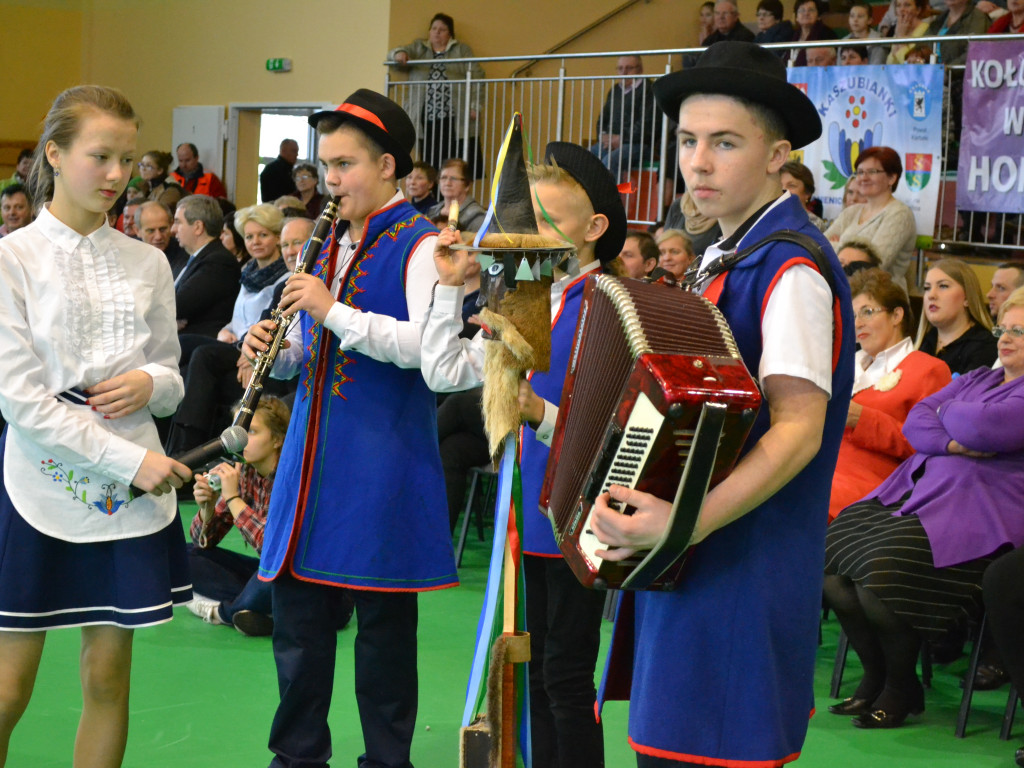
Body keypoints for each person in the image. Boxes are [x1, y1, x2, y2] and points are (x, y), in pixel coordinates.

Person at [588, 41, 854, 767]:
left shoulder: (790, 268)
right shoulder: (732, 253)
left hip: (739, 572)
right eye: (687, 141)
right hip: (696, 562)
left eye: (725, 143)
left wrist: (684, 523)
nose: (698, 162)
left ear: (778, 156)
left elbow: (798, 431)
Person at [241, 88, 455, 768]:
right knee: (298, 627)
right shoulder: (329, 241)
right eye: (326, 166)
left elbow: (426, 350)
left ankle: (388, 761)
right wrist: (272, 351)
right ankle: (297, 756)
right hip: (310, 460)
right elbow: (312, 347)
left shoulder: (424, 245)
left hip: (382, 459)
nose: (329, 181)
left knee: (384, 634)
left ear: (387, 166)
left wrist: (330, 310)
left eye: (344, 165)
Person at [0, 84, 191, 768]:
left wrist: (151, 383)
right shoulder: (11, 259)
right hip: (41, 483)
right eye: (100, 156)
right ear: (54, 154)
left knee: (108, 678)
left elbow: (171, 375)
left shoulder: (148, 261)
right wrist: (133, 463)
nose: (117, 175)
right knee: (8, 689)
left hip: (127, 500)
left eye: (127, 159)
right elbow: (21, 401)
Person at [424, 138, 628, 768]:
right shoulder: (530, 295)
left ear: (594, 229)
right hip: (526, 515)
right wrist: (447, 290)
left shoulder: (612, 307)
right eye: (528, 218)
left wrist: (538, 412)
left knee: (566, 676)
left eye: (548, 220)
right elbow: (442, 371)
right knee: (535, 673)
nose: (529, 233)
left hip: (578, 516)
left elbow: (618, 432)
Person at [824, 290, 1024, 729]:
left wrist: (945, 411)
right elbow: (917, 421)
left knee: (881, 576)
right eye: (1003, 329)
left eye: (1019, 331)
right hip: (917, 493)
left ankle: (900, 686)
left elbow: (984, 426)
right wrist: (952, 440)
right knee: (832, 561)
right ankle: (876, 675)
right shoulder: (980, 378)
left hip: (979, 514)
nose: (1006, 338)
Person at [828, 268, 951, 521]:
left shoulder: (929, 369)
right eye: (853, 315)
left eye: (867, 312)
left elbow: (929, 446)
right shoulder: (842, 365)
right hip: (820, 471)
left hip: (871, 486)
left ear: (896, 315)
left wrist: (862, 419)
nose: (858, 323)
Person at [186, 397, 289, 637]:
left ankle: (224, 613)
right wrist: (207, 508)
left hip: (312, 584)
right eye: (238, 432)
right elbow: (202, 543)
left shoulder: (292, 476)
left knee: (276, 574)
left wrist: (233, 498)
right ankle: (261, 610)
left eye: (251, 432)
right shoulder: (243, 471)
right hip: (267, 576)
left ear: (277, 439)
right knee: (185, 555)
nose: (241, 441)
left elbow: (273, 550)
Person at [388, 13, 486, 179]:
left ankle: (451, 193)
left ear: (450, 34)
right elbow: (394, 53)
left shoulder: (461, 50)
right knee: (429, 163)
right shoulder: (419, 48)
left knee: (455, 161)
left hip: (454, 116)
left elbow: (477, 77)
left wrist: (475, 106)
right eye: (434, 28)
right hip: (426, 117)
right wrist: (399, 54)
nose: (437, 32)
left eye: (442, 29)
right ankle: (432, 194)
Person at [825, 146, 917, 291]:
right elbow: (820, 248)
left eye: (872, 172)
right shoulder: (851, 212)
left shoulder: (900, 214)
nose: (863, 177)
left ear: (892, 178)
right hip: (845, 292)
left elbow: (874, 263)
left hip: (883, 297)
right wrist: (852, 252)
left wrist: (838, 244)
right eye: (860, 172)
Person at [916, 258, 998, 374]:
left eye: (943, 286)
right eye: (927, 288)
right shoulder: (926, 341)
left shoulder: (985, 346)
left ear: (967, 297)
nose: (931, 295)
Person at [590, 56, 659, 177]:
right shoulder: (615, 90)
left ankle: (612, 191)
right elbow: (602, 119)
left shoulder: (650, 90)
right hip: (611, 143)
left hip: (640, 144)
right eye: (620, 68)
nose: (624, 72)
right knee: (586, 158)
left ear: (640, 70)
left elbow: (647, 124)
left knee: (610, 162)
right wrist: (603, 137)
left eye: (629, 68)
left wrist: (621, 139)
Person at [427, 158, 487, 232]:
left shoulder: (477, 216)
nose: (447, 183)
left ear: (467, 185)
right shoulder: (432, 212)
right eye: (443, 178)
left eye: (453, 178)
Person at [137, 200, 189, 278]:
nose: (158, 237)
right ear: (137, 231)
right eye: (151, 231)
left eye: (163, 229)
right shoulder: (128, 254)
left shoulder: (185, 255)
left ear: (171, 225)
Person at [780, 160, 826, 230]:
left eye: (791, 185)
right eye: (779, 185)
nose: (783, 189)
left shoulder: (814, 224)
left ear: (807, 193)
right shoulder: (770, 218)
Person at [789, 0, 838, 67]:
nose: (806, 13)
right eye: (802, 10)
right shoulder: (792, 34)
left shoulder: (826, 34)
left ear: (818, 16)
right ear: (796, 17)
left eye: (811, 10)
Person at [886, 0, 932, 64]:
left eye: (907, 5)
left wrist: (901, 37)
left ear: (918, 10)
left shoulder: (926, 30)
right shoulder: (899, 30)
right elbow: (890, 64)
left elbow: (911, 63)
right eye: (898, 5)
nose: (901, 9)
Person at [261, 139, 299, 203]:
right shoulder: (273, 170)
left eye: (297, 151)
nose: (297, 154)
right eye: (294, 151)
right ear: (283, 151)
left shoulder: (290, 170)